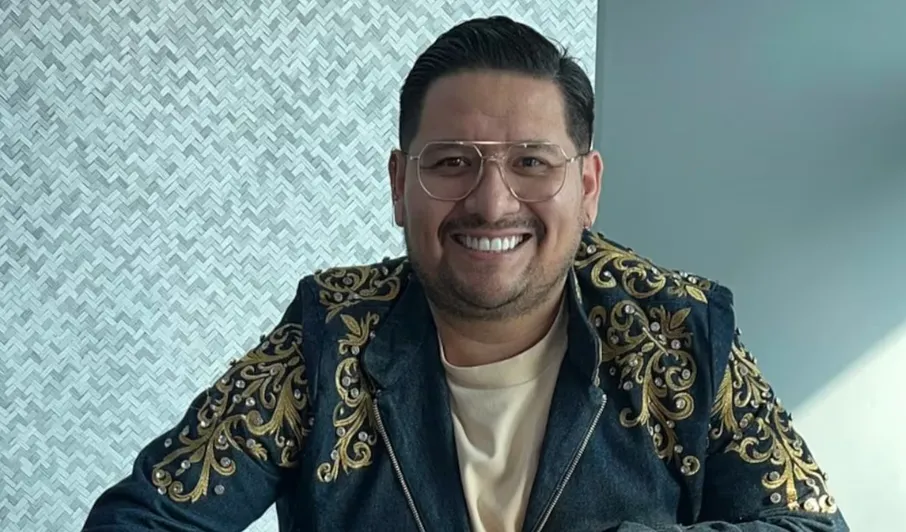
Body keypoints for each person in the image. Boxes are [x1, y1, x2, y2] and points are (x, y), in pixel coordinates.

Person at [83, 15, 849, 532]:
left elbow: (810, 526)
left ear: (587, 187)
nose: (491, 203)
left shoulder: (678, 330)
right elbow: (141, 520)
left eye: (532, 163)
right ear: (399, 185)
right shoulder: (330, 338)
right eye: (452, 163)